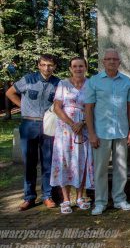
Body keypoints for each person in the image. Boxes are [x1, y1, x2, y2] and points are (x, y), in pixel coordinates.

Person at [6, 54, 60, 211]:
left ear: (54, 66)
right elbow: (10, 93)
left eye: (50, 65)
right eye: (43, 65)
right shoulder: (28, 79)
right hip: (29, 124)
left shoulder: (58, 83)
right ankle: (29, 197)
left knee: (48, 162)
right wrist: (22, 106)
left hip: (49, 125)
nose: (46, 68)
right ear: (38, 65)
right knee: (29, 162)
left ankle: (47, 196)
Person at [84, 49, 130, 215]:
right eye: (108, 59)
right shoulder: (94, 81)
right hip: (101, 132)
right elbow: (88, 108)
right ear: (103, 62)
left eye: (115, 59)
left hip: (121, 131)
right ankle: (100, 202)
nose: (112, 62)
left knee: (121, 168)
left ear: (119, 62)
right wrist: (91, 133)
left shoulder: (126, 81)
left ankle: (120, 199)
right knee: (100, 169)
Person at [50, 57, 94, 214]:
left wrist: (81, 122)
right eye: (75, 66)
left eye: (81, 66)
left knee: (82, 161)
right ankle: (66, 199)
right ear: (70, 68)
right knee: (65, 162)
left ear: (86, 67)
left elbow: (94, 106)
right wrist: (71, 123)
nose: (78, 69)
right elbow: (57, 107)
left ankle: (81, 196)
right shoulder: (63, 84)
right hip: (65, 129)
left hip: (84, 127)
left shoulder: (91, 84)